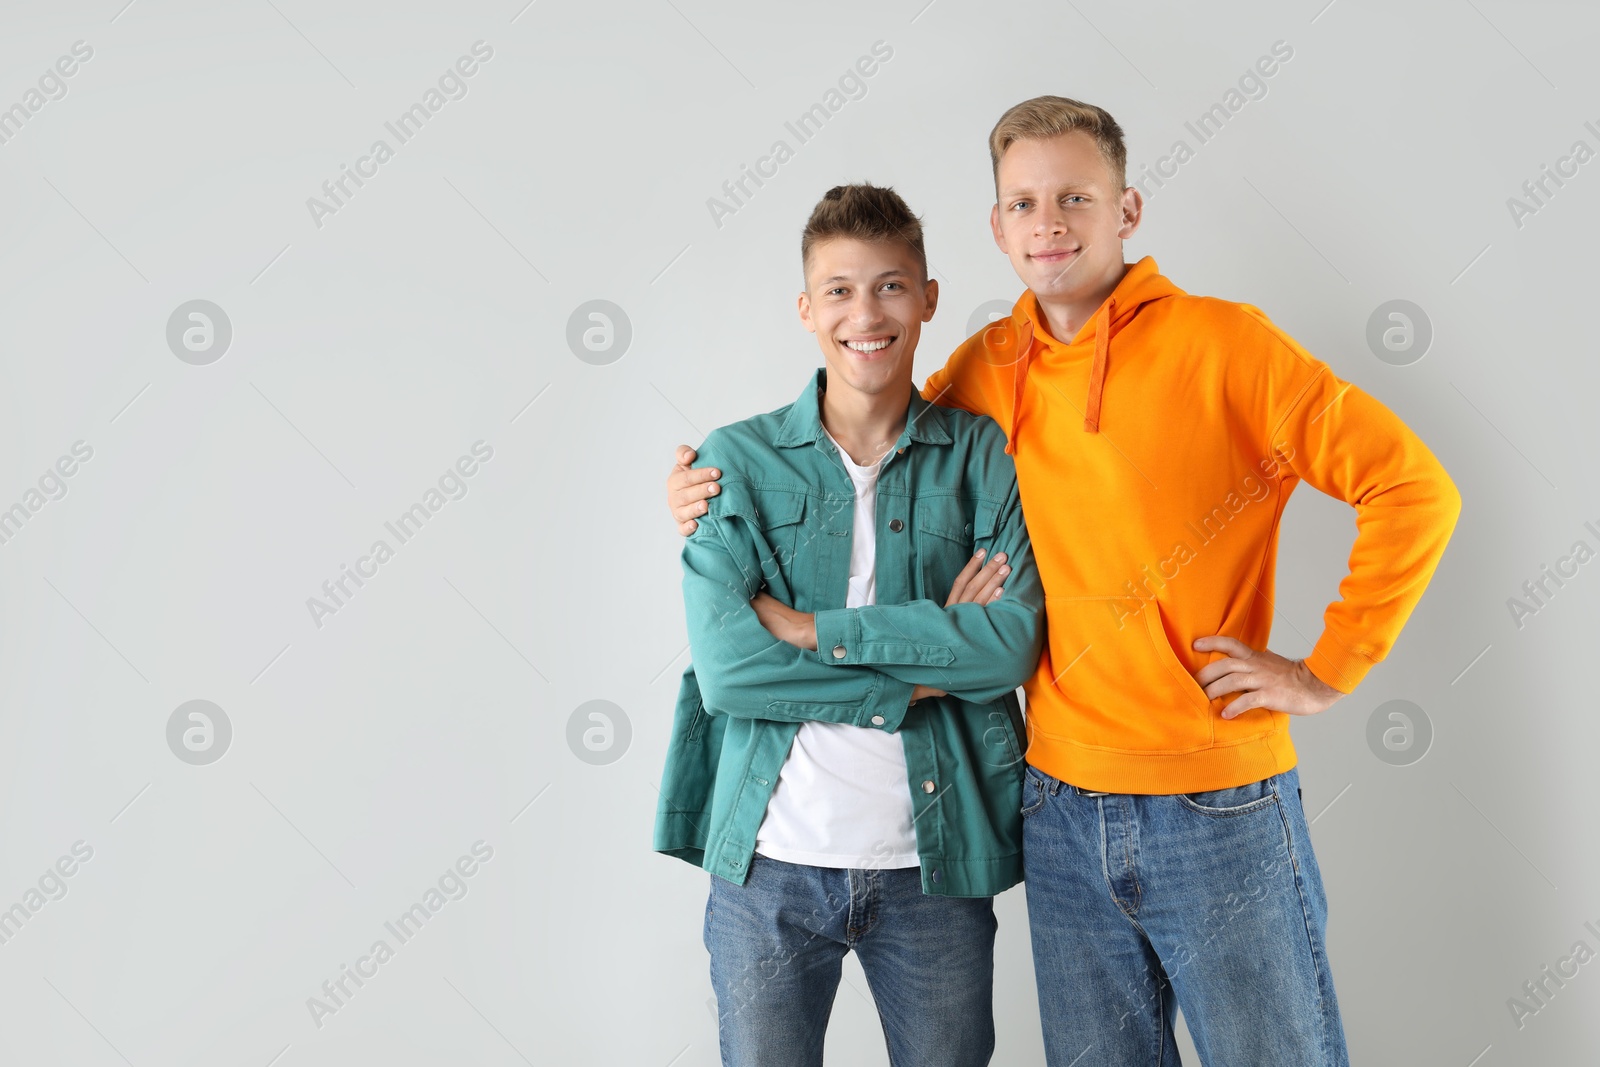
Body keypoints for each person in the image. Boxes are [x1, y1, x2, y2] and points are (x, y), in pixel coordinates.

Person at [667, 98, 1461, 1065]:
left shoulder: (1227, 345)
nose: (1049, 224)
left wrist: (1328, 666)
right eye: (1024, 203)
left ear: (1126, 212)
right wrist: (699, 490)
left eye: (1075, 197)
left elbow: (1412, 486)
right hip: (1056, 804)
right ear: (998, 228)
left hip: (1215, 801)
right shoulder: (989, 369)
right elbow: (875, 411)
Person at [654, 182, 1045, 1067]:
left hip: (934, 868)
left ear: (929, 297)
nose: (865, 313)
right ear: (805, 308)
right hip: (767, 868)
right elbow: (729, 673)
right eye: (839, 289)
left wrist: (807, 631)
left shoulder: (981, 454)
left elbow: (1012, 643)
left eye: (891, 285)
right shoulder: (733, 463)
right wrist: (927, 661)